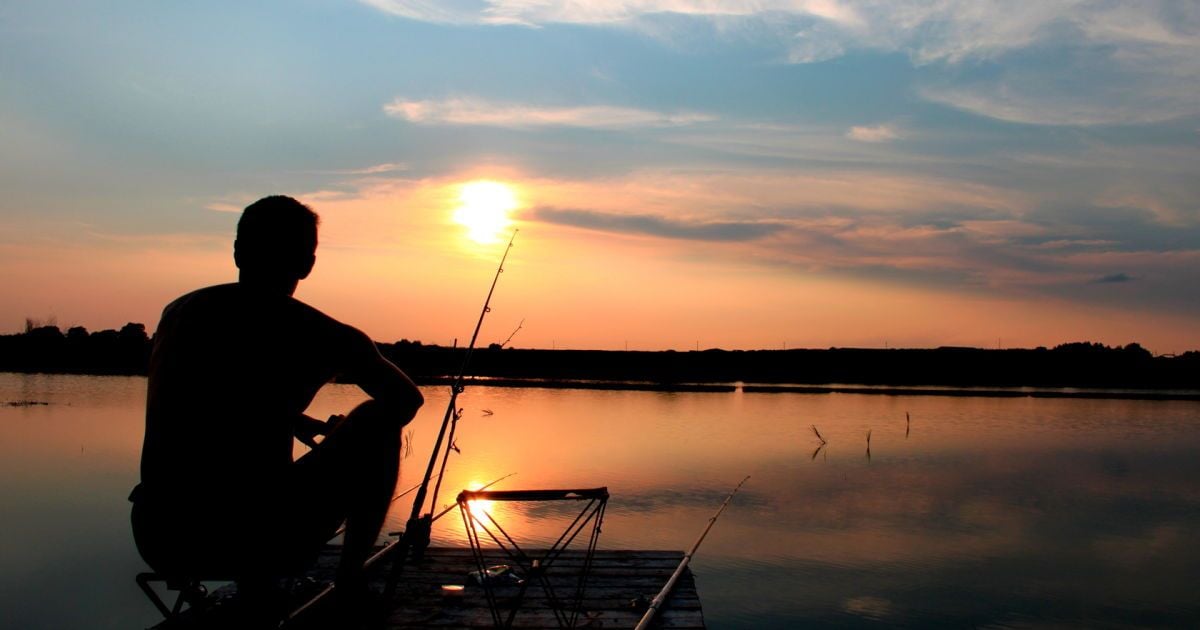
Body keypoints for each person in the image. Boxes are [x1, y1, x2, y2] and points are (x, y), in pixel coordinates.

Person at [130, 195, 423, 616]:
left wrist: (290, 417)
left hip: (161, 536)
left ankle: (255, 590)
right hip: (260, 536)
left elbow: (220, 401)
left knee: (237, 480)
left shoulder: (179, 312)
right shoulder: (323, 333)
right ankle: (349, 581)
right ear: (308, 263)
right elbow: (405, 401)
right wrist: (340, 437)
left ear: (237, 251)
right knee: (378, 421)